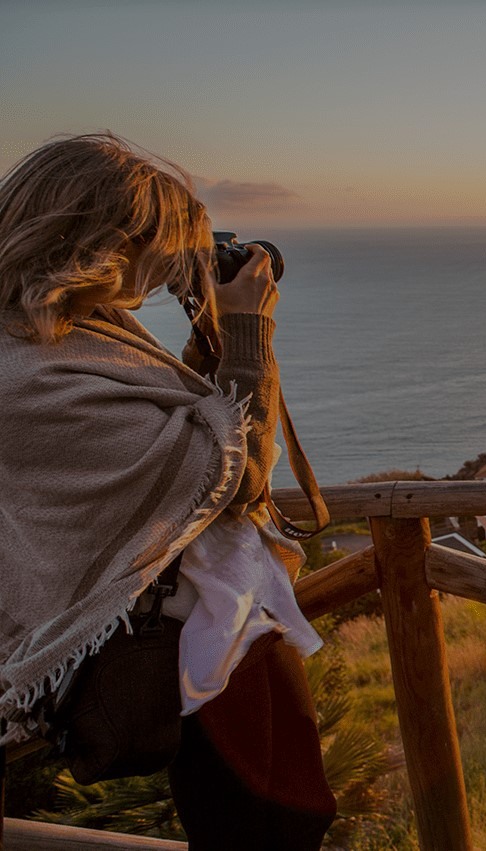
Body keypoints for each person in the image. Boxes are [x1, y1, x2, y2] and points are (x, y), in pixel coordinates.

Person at [0, 133, 335, 848]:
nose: (163, 273)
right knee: (271, 829)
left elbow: (181, 431)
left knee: (281, 821)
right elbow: (234, 474)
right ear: (103, 242)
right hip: (167, 646)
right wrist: (247, 331)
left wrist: (207, 350)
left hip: (206, 636)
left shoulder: (72, 332)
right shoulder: (30, 376)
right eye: (161, 246)